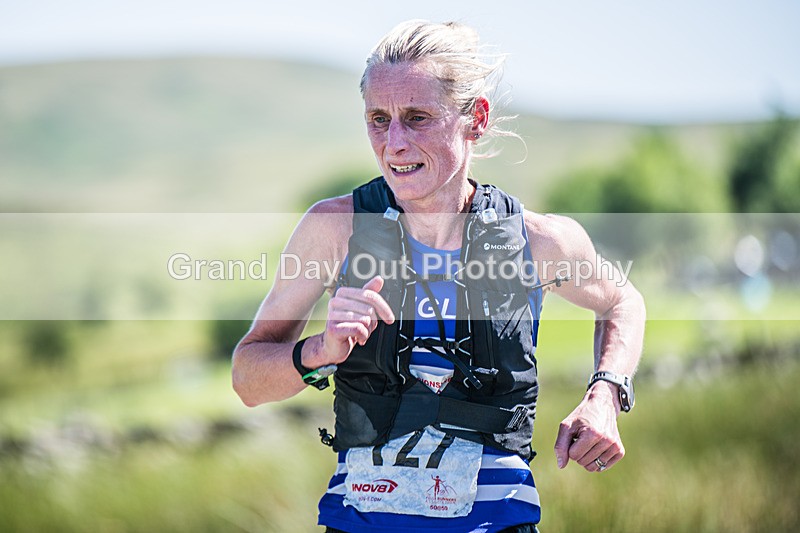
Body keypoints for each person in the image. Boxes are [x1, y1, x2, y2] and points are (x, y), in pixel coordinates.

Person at [232, 20, 645, 533]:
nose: (394, 143)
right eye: (378, 119)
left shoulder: (538, 242)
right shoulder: (335, 228)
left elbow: (622, 301)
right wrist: (320, 351)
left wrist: (605, 394)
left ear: (476, 119)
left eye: (417, 118)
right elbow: (248, 379)